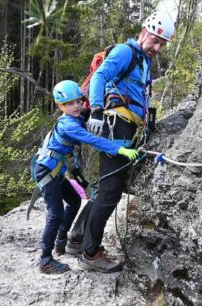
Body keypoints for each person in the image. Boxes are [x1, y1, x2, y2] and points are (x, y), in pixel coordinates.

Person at [66, 11, 175, 273]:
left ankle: (77, 238)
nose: (158, 48)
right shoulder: (126, 52)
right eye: (156, 41)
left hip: (126, 127)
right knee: (110, 193)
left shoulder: (142, 59)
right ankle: (90, 254)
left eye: (163, 44)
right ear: (145, 33)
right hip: (116, 126)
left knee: (106, 188)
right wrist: (95, 112)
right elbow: (101, 77)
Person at [34, 80, 138, 274]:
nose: (76, 106)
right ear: (61, 106)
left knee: (74, 201)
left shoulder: (76, 118)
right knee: (55, 214)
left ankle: (61, 241)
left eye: (78, 102)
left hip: (54, 168)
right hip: (47, 171)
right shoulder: (68, 125)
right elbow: (93, 139)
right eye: (70, 104)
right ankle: (45, 260)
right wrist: (120, 149)